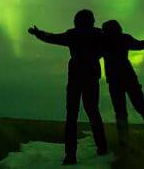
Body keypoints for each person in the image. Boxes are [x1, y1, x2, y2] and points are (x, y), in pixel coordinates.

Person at [28, 9, 108, 165]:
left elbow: (52, 38)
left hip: (76, 77)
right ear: (91, 20)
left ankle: (70, 155)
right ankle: (102, 147)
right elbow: (112, 44)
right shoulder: (100, 34)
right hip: (91, 75)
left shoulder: (73, 34)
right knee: (93, 111)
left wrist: (38, 33)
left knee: (72, 115)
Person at [101, 19, 144, 146]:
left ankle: (124, 141)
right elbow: (140, 45)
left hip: (115, 80)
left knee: (121, 111)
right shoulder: (123, 38)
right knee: (141, 107)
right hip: (128, 77)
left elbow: (140, 45)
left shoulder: (102, 40)